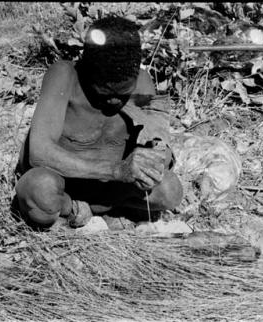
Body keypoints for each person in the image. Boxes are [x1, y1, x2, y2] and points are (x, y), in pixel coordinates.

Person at [14, 16, 183, 229]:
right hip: (66, 188)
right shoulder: (64, 75)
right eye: (103, 93)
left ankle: (111, 212)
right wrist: (116, 170)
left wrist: (154, 159)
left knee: (170, 191)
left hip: (113, 191)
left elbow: (161, 150)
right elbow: (39, 153)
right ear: (86, 70)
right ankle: (73, 210)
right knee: (40, 191)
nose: (113, 101)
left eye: (122, 94)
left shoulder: (143, 82)